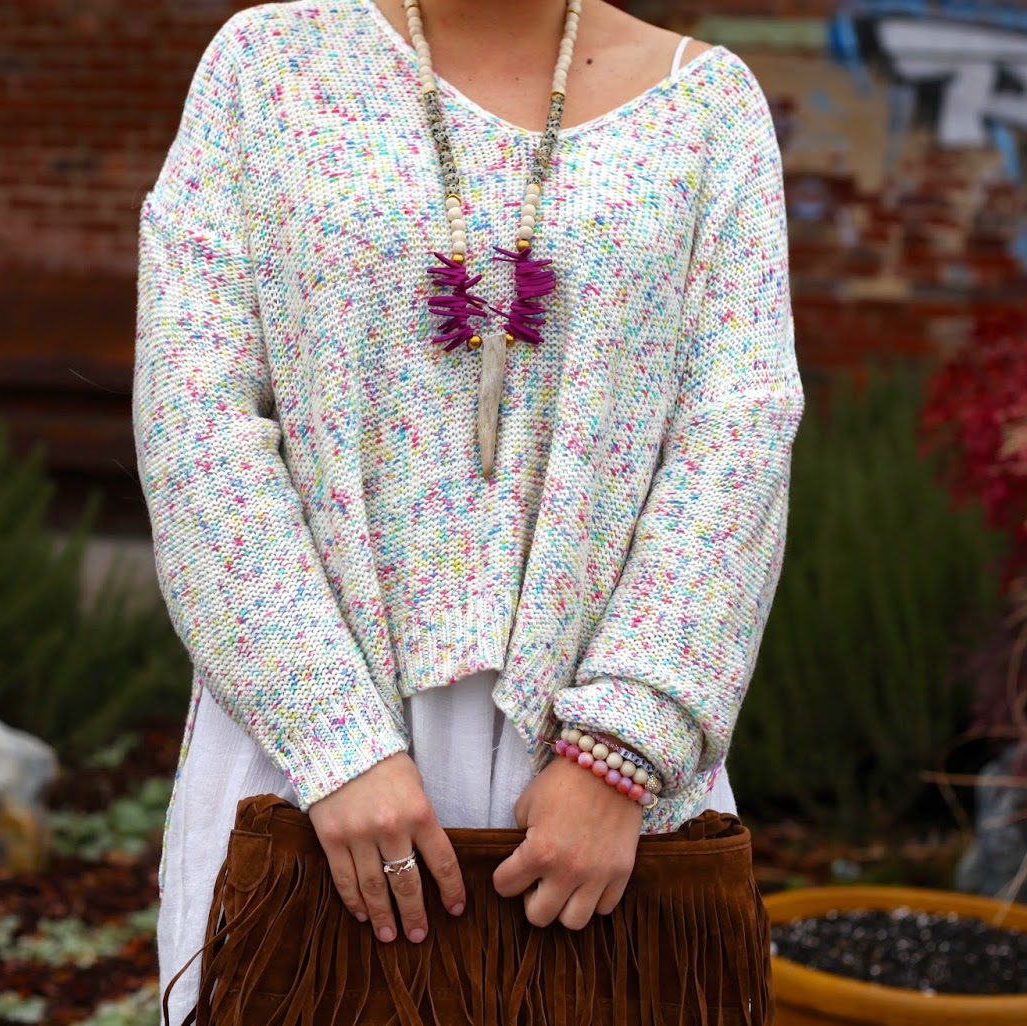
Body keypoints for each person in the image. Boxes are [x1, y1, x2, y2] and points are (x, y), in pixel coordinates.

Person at [133, 0, 802, 1018]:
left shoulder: (707, 108)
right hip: (310, 761)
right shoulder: (268, 67)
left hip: (595, 790)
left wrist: (623, 749)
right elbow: (195, 417)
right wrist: (334, 741)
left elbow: (737, 434)